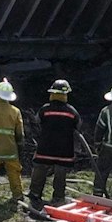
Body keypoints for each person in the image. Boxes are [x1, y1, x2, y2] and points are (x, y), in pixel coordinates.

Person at [29, 79, 79, 211]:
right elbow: (78, 125)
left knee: (39, 170)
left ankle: (34, 195)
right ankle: (58, 198)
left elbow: (36, 121)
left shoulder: (45, 109)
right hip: (64, 150)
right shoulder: (71, 111)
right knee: (60, 174)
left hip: (45, 147)